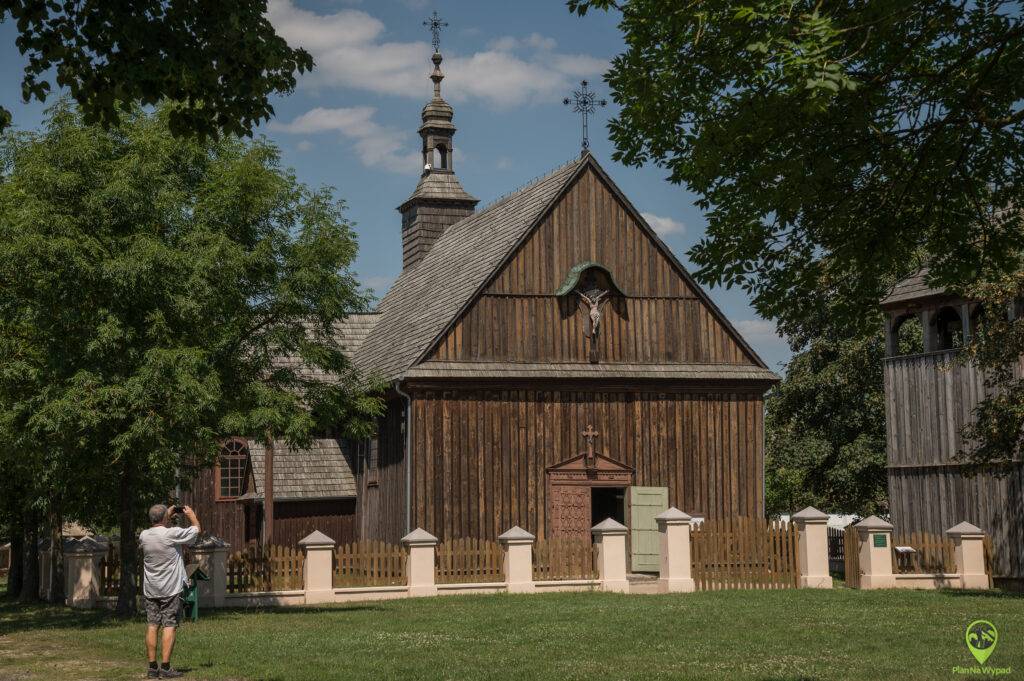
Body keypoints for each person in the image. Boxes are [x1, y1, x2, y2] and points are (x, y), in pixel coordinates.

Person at [139, 504, 200, 679]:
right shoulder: (171, 533)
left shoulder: (144, 536)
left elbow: (156, 525)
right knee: (169, 625)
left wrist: (165, 514)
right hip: (170, 589)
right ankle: (165, 668)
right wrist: (191, 514)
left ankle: (152, 668)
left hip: (151, 588)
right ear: (165, 518)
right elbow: (196, 531)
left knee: (152, 625)